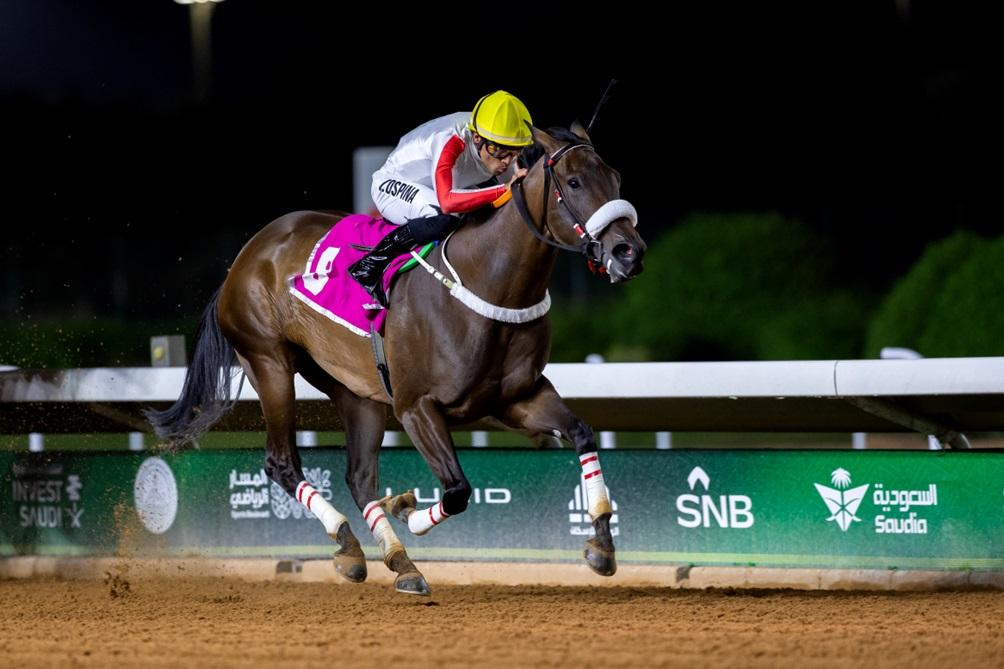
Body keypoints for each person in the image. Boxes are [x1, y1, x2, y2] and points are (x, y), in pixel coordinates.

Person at [348, 90, 534, 307]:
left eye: (515, 151)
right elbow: (447, 202)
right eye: (499, 151)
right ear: (477, 137)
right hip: (391, 183)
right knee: (443, 216)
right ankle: (369, 265)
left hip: (439, 185)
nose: (506, 161)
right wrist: (503, 190)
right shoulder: (450, 139)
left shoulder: (495, 138)